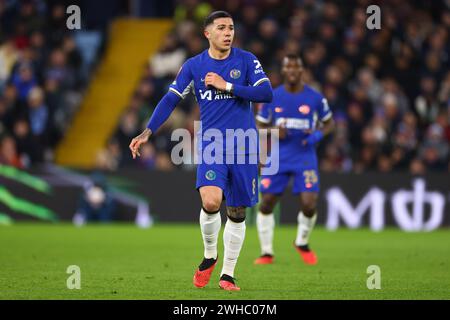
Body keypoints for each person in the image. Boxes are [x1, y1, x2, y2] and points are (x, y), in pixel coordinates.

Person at [129, 11, 272, 291]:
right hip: (213, 144)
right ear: (208, 34)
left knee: (237, 211)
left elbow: (266, 94)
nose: (228, 32)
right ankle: (210, 255)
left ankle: (227, 274)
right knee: (210, 202)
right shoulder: (194, 66)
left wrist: (226, 85)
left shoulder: (246, 60)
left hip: (243, 144)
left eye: (231, 27)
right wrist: (147, 132)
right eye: (221, 28)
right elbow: (170, 99)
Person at [254, 54, 334, 265]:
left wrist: (316, 135)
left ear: (301, 70)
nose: (291, 70)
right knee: (267, 202)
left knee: (309, 204)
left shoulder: (315, 98)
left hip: (304, 156)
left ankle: (302, 242)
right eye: (287, 67)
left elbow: (329, 123)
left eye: (295, 67)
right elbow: (259, 126)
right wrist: (273, 131)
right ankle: (266, 252)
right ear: (283, 70)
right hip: (278, 156)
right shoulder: (271, 96)